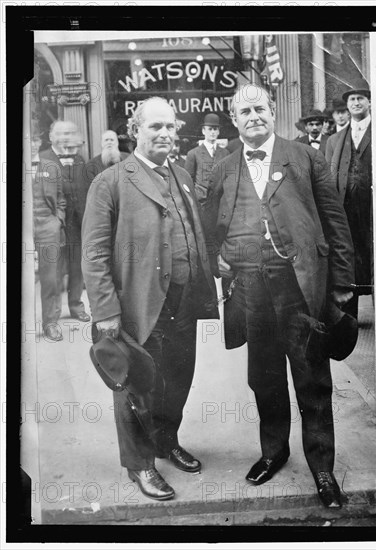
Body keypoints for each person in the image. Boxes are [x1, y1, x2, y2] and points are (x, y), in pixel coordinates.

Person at [203, 84, 354, 508]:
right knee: (264, 375)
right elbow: (210, 224)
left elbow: (337, 229)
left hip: (297, 285)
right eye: (244, 111)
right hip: (250, 286)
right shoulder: (225, 167)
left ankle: (323, 467)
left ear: (273, 113)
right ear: (235, 119)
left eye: (260, 109)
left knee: (311, 377)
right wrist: (218, 257)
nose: (253, 116)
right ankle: (273, 451)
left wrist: (340, 292)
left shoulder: (306, 157)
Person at [82, 97, 218, 501]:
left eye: (170, 127)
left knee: (178, 379)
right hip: (138, 305)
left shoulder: (182, 175)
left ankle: (166, 440)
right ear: (134, 131)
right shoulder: (110, 181)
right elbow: (93, 253)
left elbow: (194, 233)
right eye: (155, 126)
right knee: (136, 385)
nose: (164, 134)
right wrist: (106, 310)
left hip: (184, 301)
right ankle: (141, 465)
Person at [326, 85, 372, 318]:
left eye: (360, 98)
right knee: (348, 259)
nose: (355, 103)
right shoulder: (335, 140)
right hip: (345, 211)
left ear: (369, 102)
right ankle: (350, 321)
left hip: (374, 211)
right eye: (352, 99)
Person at [40, 120, 91, 322]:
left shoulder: (79, 159)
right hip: (53, 226)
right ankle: (51, 316)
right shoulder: (42, 159)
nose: (65, 138)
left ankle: (76, 306)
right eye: (61, 134)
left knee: (77, 269)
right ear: (51, 137)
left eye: (70, 133)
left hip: (77, 225)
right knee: (53, 273)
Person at [31, 123, 66, 341]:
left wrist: (57, 220)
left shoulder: (51, 167)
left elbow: (61, 198)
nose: (31, 143)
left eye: (34, 139)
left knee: (50, 278)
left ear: (38, 141)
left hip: (47, 226)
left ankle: (50, 323)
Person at [184, 113, 230, 204]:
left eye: (215, 129)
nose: (212, 132)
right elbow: (187, 181)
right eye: (210, 129)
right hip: (201, 203)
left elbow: (228, 179)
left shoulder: (225, 153)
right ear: (203, 131)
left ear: (218, 132)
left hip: (220, 202)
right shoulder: (193, 153)